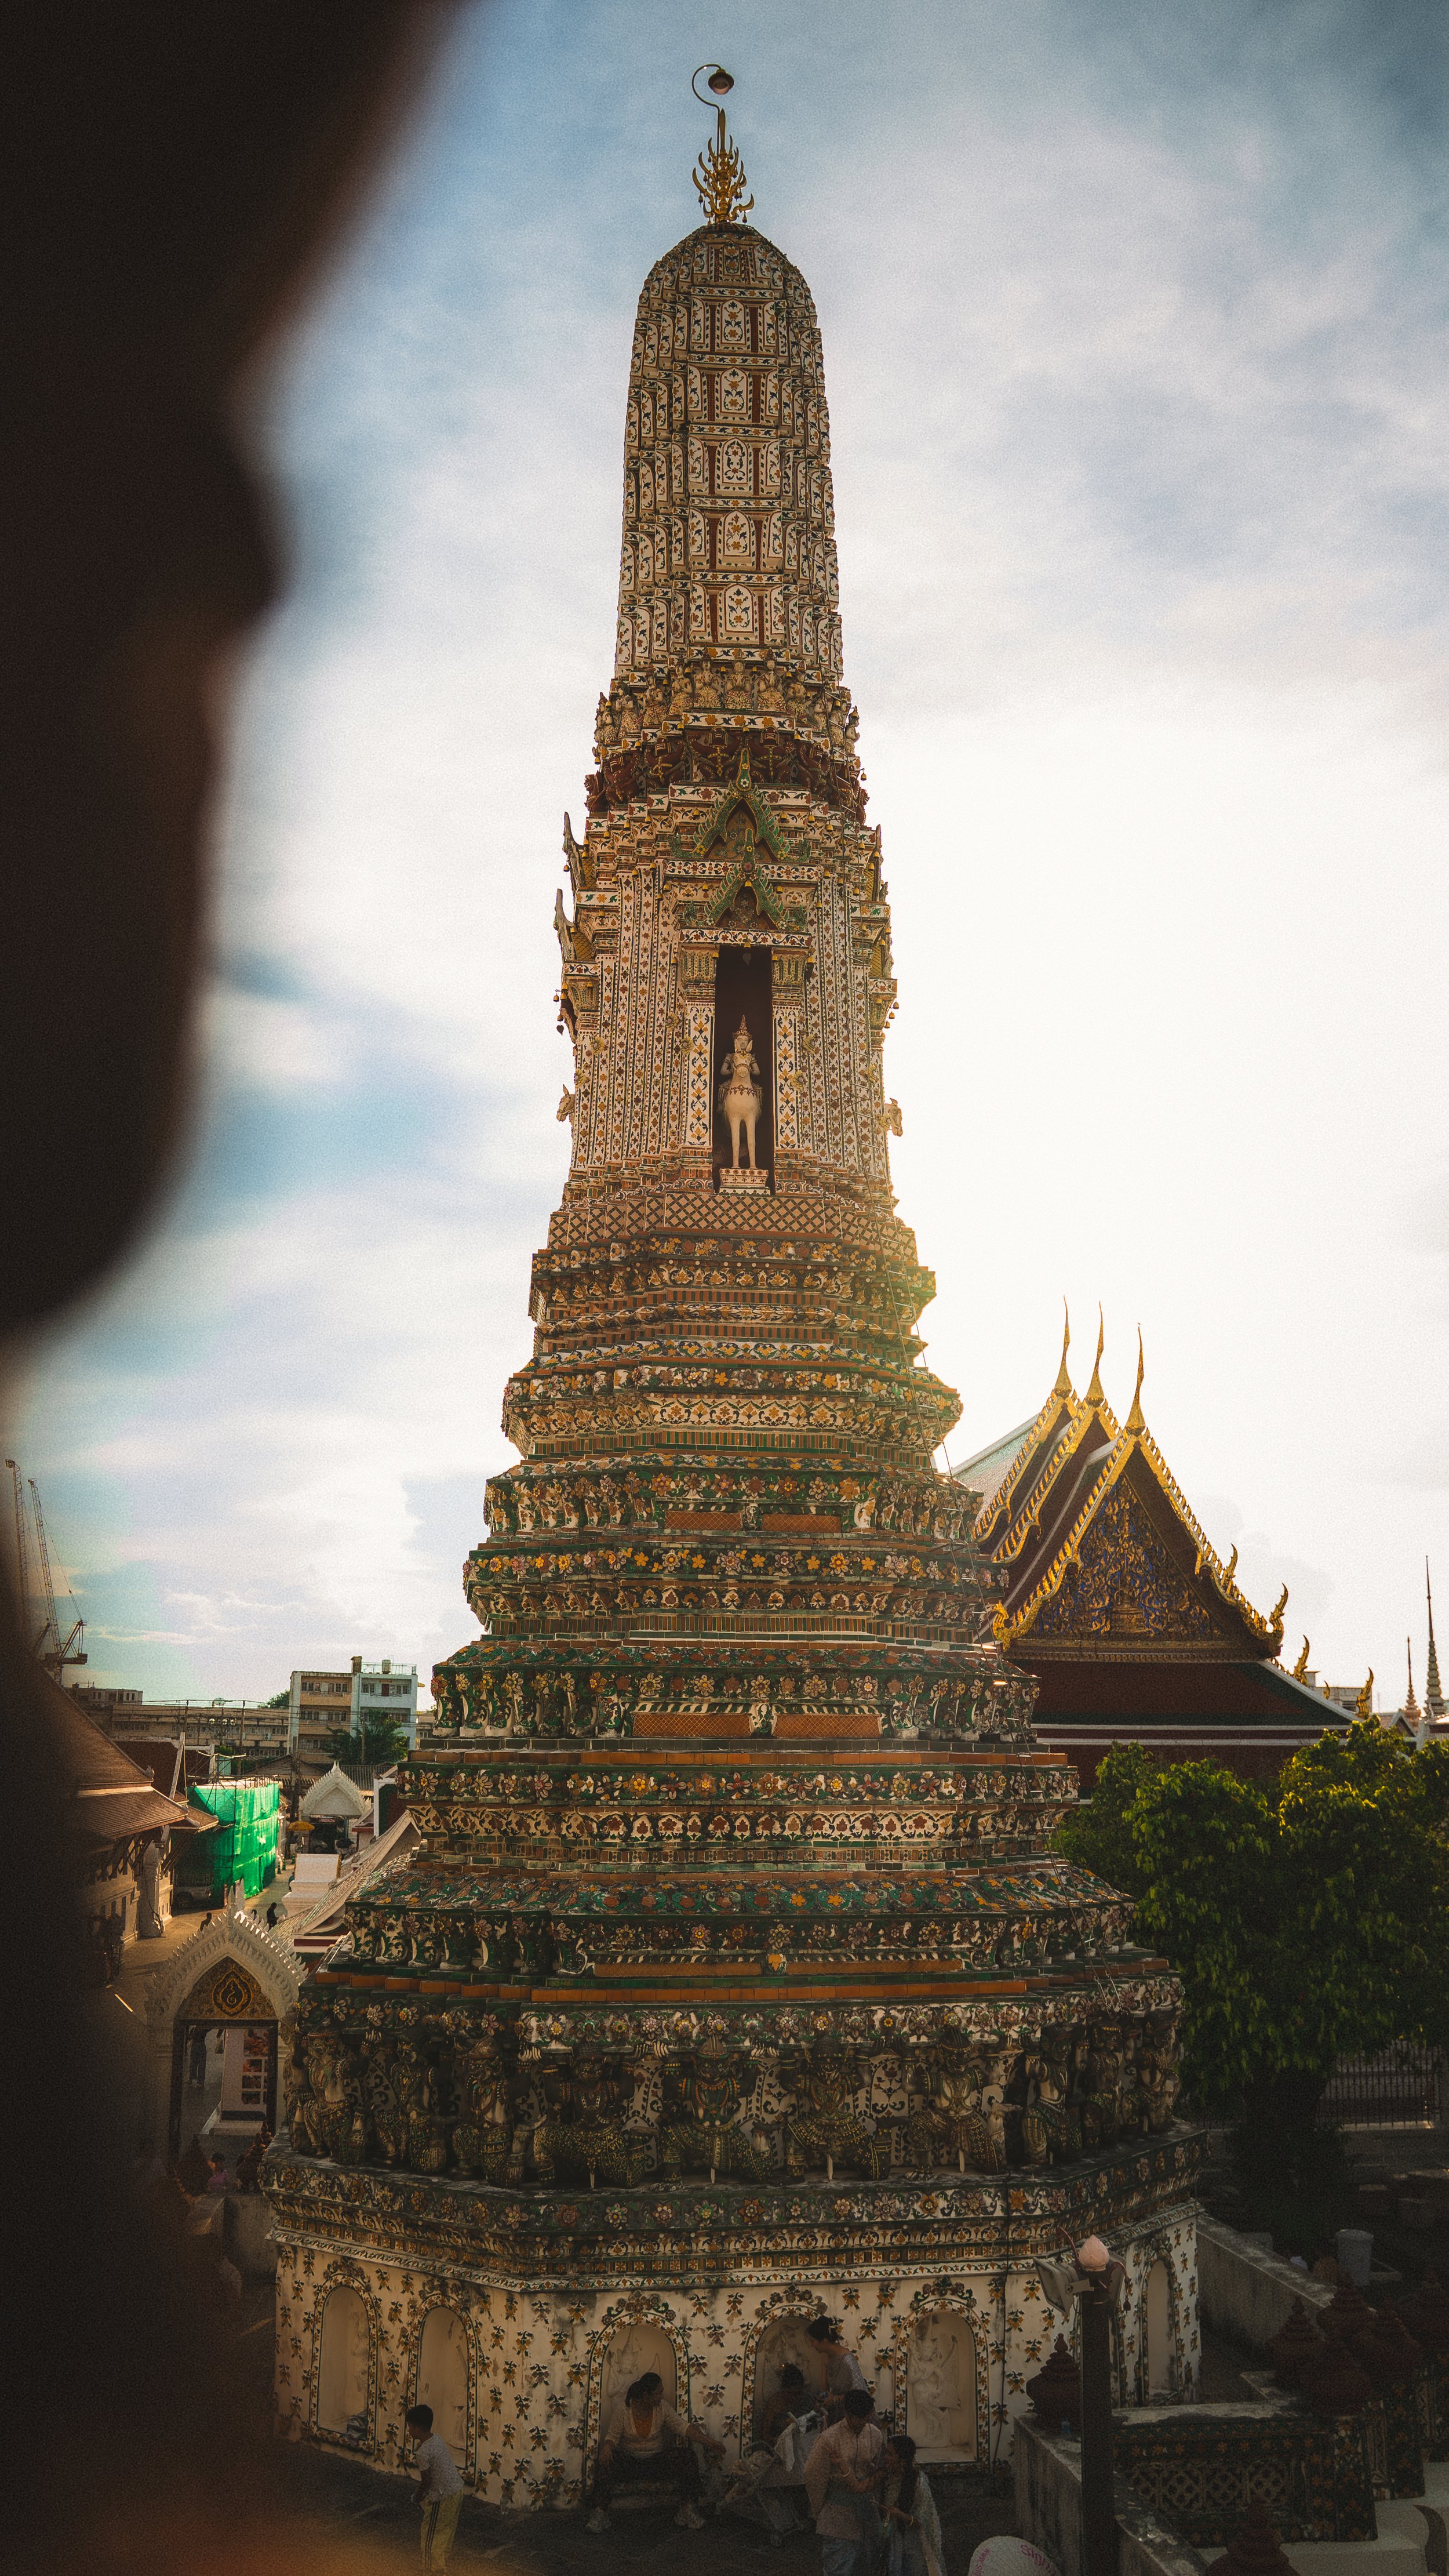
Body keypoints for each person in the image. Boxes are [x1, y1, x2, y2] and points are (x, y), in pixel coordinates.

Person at [586, 2370, 721, 2533]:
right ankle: (600, 2513)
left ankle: (687, 2509)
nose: (661, 2396)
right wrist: (607, 2447)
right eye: (659, 2393)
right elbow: (612, 2437)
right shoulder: (624, 2410)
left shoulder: (662, 2408)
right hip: (631, 2462)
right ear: (646, 2395)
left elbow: (683, 2428)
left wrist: (710, 2442)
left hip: (656, 2462)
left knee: (687, 2457)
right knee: (606, 2460)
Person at [803, 2386, 883, 2576]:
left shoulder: (875, 2434)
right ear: (846, 2413)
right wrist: (820, 2508)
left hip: (868, 2514)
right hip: (837, 2515)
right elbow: (813, 2475)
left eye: (865, 2418)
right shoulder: (829, 2439)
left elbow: (879, 2470)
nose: (860, 2423)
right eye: (856, 2418)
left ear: (870, 2414)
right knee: (839, 2568)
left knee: (868, 2566)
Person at [406, 2403, 464, 2570]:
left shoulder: (423, 2453)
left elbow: (426, 2481)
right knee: (446, 2532)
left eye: (409, 2427)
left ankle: (433, 2570)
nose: (408, 2431)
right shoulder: (437, 2438)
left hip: (442, 2497)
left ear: (416, 2429)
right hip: (456, 2491)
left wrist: (417, 2497)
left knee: (431, 2535)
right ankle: (442, 2564)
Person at [879, 2433, 945, 2576]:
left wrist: (900, 2515)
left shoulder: (918, 2483)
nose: (886, 2458)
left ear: (902, 2460)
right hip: (896, 2541)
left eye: (890, 2454)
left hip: (915, 2545)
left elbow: (923, 2522)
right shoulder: (889, 2477)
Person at [807, 2315, 869, 2421]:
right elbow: (824, 2387)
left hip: (854, 2416)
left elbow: (860, 2395)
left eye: (813, 2341)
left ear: (824, 2341)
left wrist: (835, 2399)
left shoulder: (847, 2360)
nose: (812, 2345)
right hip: (836, 2413)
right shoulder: (825, 2356)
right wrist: (821, 2401)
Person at [759, 2361, 810, 2444]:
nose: (796, 2397)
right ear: (784, 2390)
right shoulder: (774, 2404)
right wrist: (779, 2442)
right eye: (792, 2393)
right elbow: (765, 2435)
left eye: (799, 2393)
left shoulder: (805, 2400)